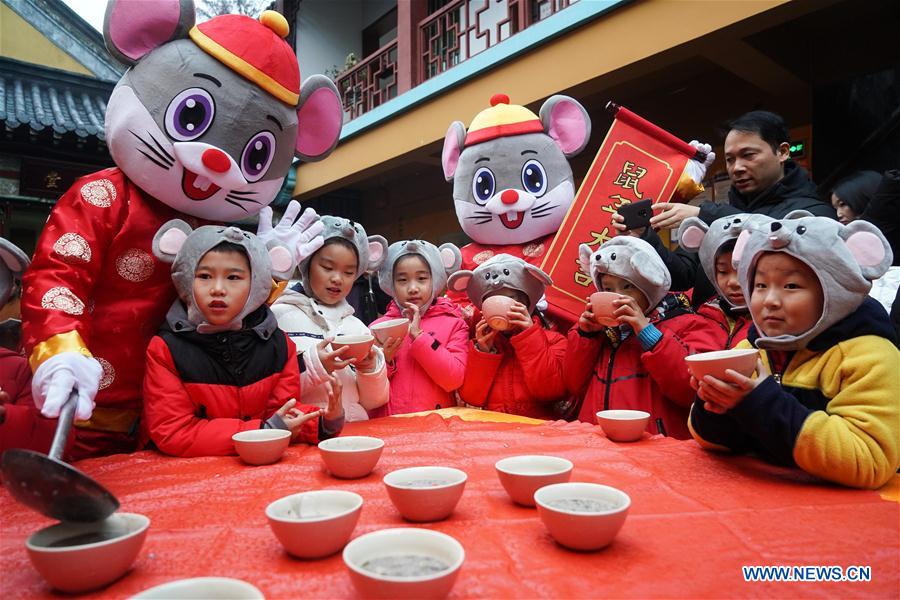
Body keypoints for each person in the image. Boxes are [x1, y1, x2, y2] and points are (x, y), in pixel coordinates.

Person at [689, 214, 899, 489]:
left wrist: (758, 404)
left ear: (834, 290)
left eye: (791, 286)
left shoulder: (870, 355)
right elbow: (708, 441)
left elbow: (868, 460)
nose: (770, 301)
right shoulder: (751, 349)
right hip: (763, 503)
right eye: (760, 285)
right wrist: (716, 406)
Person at [143, 222, 344, 457]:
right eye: (205, 276)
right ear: (186, 279)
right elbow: (173, 430)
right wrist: (262, 432)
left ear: (257, 283)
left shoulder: (278, 345)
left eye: (233, 277)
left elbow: (281, 413)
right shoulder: (166, 349)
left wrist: (324, 422)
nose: (218, 289)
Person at [613, 110, 835, 305]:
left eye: (748, 155)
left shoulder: (813, 213)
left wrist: (706, 215)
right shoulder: (719, 214)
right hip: (712, 337)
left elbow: (773, 235)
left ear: (783, 152)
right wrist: (645, 236)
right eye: (730, 159)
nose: (737, 167)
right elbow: (680, 276)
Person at [564, 237, 716, 439]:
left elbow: (692, 390)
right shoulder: (602, 333)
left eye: (627, 287)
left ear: (649, 285)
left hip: (655, 448)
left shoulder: (688, 323)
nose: (617, 297)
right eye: (608, 289)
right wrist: (586, 335)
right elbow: (573, 385)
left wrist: (646, 332)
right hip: (598, 444)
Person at [272, 216, 390, 422]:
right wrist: (317, 365)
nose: (337, 278)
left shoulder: (357, 327)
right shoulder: (277, 318)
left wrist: (370, 369)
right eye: (327, 268)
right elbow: (269, 389)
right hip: (304, 432)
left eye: (348, 272)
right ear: (306, 265)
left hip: (355, 434)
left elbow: (374, 402)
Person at [449, 254, 567, 419]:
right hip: (496, 433)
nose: (501, 304)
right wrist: (484, 352)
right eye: (492, 299)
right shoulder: (481, 344)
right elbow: (472, 397)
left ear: (526, 303)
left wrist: (529, 335)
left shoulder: (554, 340)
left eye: (510, 298)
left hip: (539, 434)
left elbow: (550, 390)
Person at [370, 239, 467, 416]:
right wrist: (385, 360)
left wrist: (420, 337)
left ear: (436, 280)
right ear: (390, 284)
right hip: (388, 427)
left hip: (437, 426)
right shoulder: (378, 328)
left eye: (422, 278)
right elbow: (367, 390)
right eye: (402, 280)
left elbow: (454, 379)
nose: (413, 288)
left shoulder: (454, 323)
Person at [676, 214, 765, 349]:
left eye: (744, 270)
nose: (733, 282)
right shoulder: (697, 313)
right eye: (722, 271)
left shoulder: (777, 324)